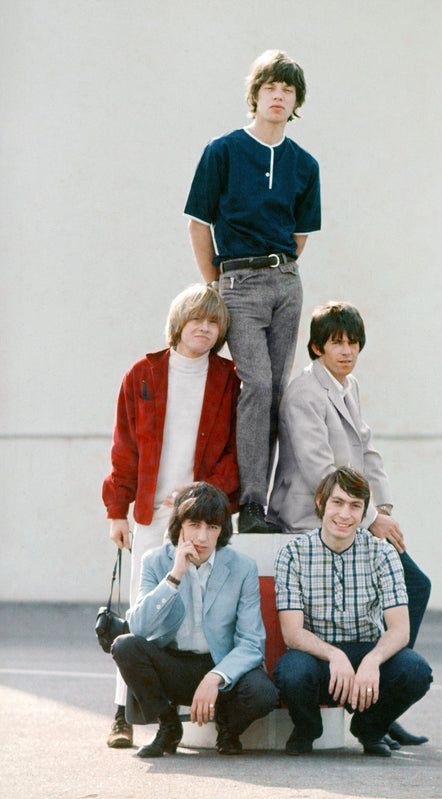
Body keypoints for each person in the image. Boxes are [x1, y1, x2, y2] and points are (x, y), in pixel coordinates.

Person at [268, 300, 431, 745]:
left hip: (352, 513)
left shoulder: (348, 384)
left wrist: (385, 509)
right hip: (312, 514)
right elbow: (321, 469)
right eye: (337, 342)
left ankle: (379, 690)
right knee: (414, 584)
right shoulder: (304, 393)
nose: (347, 350)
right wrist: (370, 518)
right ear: (317, 346)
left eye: (353, 342)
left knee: (415, 585)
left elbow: (366, 450)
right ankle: (373, 695)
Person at [184, 49, 321, 533]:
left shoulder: (304, 164)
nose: (279, 97)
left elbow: (301, 235)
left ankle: (272, 503)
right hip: (237, 282)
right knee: (256, 384)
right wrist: (214, 284)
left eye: (288, 90)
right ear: (256, 95)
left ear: (296, 100)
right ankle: (249, 502)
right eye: (271, 89)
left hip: (284, 282)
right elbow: (199, 224)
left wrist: (281, 270)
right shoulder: (222, 151)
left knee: (279, 392)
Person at [102, 284, 239, 749]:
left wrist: (205, 493)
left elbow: (233, 453)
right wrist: (116, 510)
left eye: (214, 321)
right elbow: (124, 447)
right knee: (141, 615)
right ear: (179, 322)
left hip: (199, 515)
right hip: (147, 515)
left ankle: (200, 705)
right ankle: (122, 713)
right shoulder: (143, 373)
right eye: (197, 319)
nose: (205, 327)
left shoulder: (228, 379)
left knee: (199, 608)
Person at [112, 482, 279, 757]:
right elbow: (139, 627)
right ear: (180, 525)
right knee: (125, 645)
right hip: (174, 665)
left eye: (212, 527)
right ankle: (168, 726)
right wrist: (174, 576)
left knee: (263, 692)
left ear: (222, 530)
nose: (202, 537)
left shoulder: (242, 567)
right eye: (194, 524)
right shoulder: (155, 561)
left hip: (220, 665)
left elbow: (252, 643)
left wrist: (216, 677)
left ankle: (228, 729)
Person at [273, 468, 433, 756]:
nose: (345, 514)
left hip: (366, 651)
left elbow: (400, 630)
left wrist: (372, 660)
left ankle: (370, 728)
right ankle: (308, 728)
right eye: (338, 503)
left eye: (355, 506)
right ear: (321, 503)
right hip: (318, 658)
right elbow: (293, 633)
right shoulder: (293, 553)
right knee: (291, 671)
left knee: (415, 670)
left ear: (363, 513)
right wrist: (335, 655)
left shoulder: (382, 553)